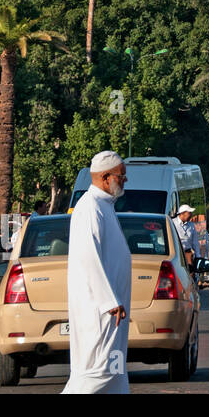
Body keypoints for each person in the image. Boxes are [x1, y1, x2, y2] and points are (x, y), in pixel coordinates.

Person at [62, 151, 132, 394]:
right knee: (98, 372)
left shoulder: (105, 206)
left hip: (113, 311)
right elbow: (87, 257)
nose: (125, 180)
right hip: (101, 311)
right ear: (105, 177)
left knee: (113, 369)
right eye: (121, 176)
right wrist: (109, 301)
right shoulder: (89, 208)